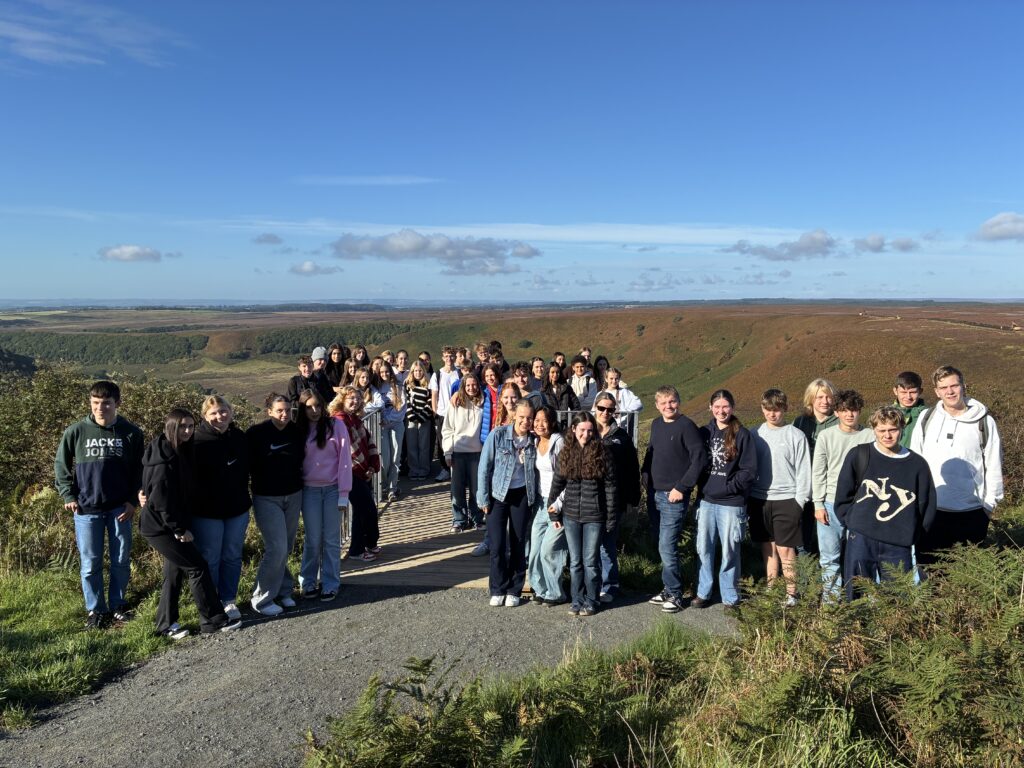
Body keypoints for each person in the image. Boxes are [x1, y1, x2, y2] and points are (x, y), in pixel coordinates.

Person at [140, 408, 241, 637]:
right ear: (170, 427)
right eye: (182, 426)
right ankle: (213, 620)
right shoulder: (164, 461)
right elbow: (161, 500)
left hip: (167, 523)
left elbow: (151, 487)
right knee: (198, 567)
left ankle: (165, 625)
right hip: (161, 527)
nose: (187, 431)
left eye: (190, 426)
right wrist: (179, 529)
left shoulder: (173, 450)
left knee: (174, 574)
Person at [55, 380, 144, 628]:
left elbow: (139, 470)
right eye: (95, 403)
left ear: (117, 403)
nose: (100, 408)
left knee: (121, 559)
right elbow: (61, 465)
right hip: (86, 508)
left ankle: (118, 605)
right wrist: (68, 495)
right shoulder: (76, 431)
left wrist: (131, 502)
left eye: (106, 403)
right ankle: (96, 611)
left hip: (119, 508)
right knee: (90, 562)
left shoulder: (131, 432)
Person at [835, 406, 937, 601]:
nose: (887, 435)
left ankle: (893, 632)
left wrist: (912, 534)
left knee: (898, 598)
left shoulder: (917, 464)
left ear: (902, 429)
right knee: (856, 594)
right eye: (882, 430)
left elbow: (927, 506)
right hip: (861, 538)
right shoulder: (860, 455)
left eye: (893, 429)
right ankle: (855, 631)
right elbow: (843, 495)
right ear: (874, 429)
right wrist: (853, 522)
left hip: (898, 543)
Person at [910, 365, 1003, 566]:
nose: (950, 392)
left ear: (964, 386)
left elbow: (994, 465)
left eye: (954, 385)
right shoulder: (927, 419)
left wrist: (988, 507)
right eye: (943, 388)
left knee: (966, 574)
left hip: (971, 512)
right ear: (936, 392)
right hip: (932, 511)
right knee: (929, 570)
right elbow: (915, 462)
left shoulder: (984, 422)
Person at [641, 385, 707, 614]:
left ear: (678, 401)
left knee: (667, 545)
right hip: (654, 493)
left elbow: (699, 459)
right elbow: (652, 452)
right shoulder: (657, 424)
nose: (668, 406)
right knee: (661, 544)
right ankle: (668, 589)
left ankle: (677, 594)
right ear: (657, 406)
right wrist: (645, 476)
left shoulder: (687, 426)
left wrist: (682, 487)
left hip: (674, 496)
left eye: (672, 401)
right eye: (663, 403)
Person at [548, 412, 618, 616]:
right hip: (570, 515)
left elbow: (611, 489)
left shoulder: (603, 452)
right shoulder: (566, 452)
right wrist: (553, 512)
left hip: (594, 516)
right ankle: (577, 600)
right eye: (582, 430)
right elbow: (557, 485)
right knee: (575, 561)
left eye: (589, 430)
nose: (586, 434)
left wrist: (611, 518)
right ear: (573, 430)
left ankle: (592, 600)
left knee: (590, 561)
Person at [693, 390, 756, 610]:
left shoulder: (742, 435)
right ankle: (704, 591)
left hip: (731, 503)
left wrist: (729, 487)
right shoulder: (703, 433)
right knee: (704, 548)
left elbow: (749, 470)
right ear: (710, 407)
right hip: (707, 500)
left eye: (725, 406)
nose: (721, 411)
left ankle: (730, 596)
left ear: (733, 407)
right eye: (717, 406)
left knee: (730, 550)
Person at [748, 389, 811, 606]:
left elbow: (804, 470)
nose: (772, 414)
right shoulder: (754, 433)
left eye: (776, 410)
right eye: (768, 409)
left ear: (784, 409)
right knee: (768, 547)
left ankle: (791, 593)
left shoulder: (795, 435)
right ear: (762, 409)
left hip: (787, 499)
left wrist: (799, 502)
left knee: (786, 549)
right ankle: (771, 588)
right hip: (759, 499)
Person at [191, 395, 251, 621]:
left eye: (223, 411)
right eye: (213, 413)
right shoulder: (196, 441)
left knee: (233, 556)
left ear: (231, 411)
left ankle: (228, 600)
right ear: (205, 416)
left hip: (237, 508)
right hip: (207, 511)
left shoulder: (240, 437)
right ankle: (211, 603)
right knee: (210, 558)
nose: (219, 416)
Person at [811, 390, 873, 600]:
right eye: (844, 410)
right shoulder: (826, 436)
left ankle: (858, 601)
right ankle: (831, 606)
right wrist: (818, 504)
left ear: (860, 411)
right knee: (830, 558)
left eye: (854, 410)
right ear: (836, 412)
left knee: (861, 557)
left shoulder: (870, 436)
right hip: (829, 503)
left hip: (861, 505)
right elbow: (819, 471)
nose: (849, 415)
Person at [247, 393, 305, 617]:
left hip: (293, 495)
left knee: (286, 547)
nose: (284, 414)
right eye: (279, 410)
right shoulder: (256, 434)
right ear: (269, 411)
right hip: (266, 497)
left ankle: (283, 589)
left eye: (288, 410)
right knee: (277, 548)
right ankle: (261, 599)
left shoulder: (296, 431)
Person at [477, 399, 538, 607]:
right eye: (522, 417)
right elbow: (484, 467)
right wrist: (483, 496)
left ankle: (515, 588)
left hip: (521, 495)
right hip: (498, 494)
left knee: (518, 542)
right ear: (514, 416)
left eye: (529, 418)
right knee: (497, 544)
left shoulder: (534, 441)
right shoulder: (498, 435)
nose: (525, 421)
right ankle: (497, 588)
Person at [296, 389, 351, 602]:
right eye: (309, 407)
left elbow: (345, 460)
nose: (315, 410)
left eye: (318, 405)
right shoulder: (298, 430)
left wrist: (343, 493)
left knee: (330, 539)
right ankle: (308, 582)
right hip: (308, 490)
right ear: (302, 408)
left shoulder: (335, 426)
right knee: (312, 539)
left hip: (332, 489)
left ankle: (330, 583)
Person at [593, 392, 641, 603]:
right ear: (594, 407)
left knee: (608, 545)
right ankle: (590, 583)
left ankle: (610, 585)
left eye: (610, 409)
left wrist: (633, 498)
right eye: (602, 408)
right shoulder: (584, 430)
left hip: (615, 499)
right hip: (588, 499)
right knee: (589, 546)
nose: (605, 413)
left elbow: (632, 469)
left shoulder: (622, 436)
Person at [331, 386, 382, 562]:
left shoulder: (355, 419)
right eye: (351, 398)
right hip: (350, 472)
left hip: (361, 471)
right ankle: (357, 551)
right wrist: (364, 469)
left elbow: (368, 441)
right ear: (342, 400)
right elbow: (347, 451)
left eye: (358, 399)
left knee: (363, 510)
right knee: (364, 510)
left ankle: (366, 545)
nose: (355, 401)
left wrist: (372, 467)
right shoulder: (339, 420)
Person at [472, 381, 522, 557]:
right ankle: (490, 542)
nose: (510, 401)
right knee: (493, 515)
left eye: (513, 397)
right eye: (506, 397)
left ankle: (509, 548)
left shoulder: (523, 418)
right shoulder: (498, 416)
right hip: (496, 471)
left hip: (516, 476)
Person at [792, 378, 838, 554]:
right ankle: (807, 578)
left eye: (828, 397)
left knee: (829, 536)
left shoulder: (838, 421)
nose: (824, 401)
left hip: (829, 488)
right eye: (819, 397)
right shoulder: (800, 422)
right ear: (811, 399)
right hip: (804, 486)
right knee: (802, 536)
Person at [527, 405, 567, 606]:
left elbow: (568, 478)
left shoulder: (558, 442)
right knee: (534, 550)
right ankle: (540, 589)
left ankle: (556, 592)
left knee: (549, 549)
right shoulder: (534, 442)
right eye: (537, 420)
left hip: (557, 504)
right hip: (539, 503)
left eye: (544, 420)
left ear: (552, 422)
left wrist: (559, 504)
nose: (539, 424)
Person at [442, 374, 484, 533]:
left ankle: (477, 518)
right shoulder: (455, 403)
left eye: (474, 385)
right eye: (468, 385)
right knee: (457, 490)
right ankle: (459, 519)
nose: (471, 388)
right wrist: (448, 452)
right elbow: (447, 429)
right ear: (463, 387)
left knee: (476, 489)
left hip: (477, 452)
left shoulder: (483, 402)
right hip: (458, 451)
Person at [375, 361, 406, 502]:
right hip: (382, 426)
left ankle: (392, 488)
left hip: (396, 425)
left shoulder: (398, 387)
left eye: (386, 371)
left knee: (395, 457)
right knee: (385, 459)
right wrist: (383, 419)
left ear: (390, 372)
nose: (384, 374)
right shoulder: (377, 387)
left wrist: (388, 418)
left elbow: (402, 407)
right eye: (381, 372)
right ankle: (385, 485)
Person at [430, 346, 461, 481]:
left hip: (457, 412)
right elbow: (434, 395)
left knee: (457, 441)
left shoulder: (459, 373)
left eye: (451, 356)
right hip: (442, 413)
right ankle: (445, 469)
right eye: (447, 356)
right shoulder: (438, 374)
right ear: (443, 358)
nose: (449, 358)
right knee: (443, 442)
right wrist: (435, 412)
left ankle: (457, 469)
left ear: (455, 357)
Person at [404, 360, 433, 480]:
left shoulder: (428, 384)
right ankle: (414, 469)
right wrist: (411, 415)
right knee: (411, 446)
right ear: (412, 371)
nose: (417, 373)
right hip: (411, 419)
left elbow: (430, 401)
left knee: (424, 445)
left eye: (420, 370)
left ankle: (424, 469)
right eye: (415, 370)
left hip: (424, 419)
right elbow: (405, 400)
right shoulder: (407, 384)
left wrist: (422, 416)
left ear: (423, 371)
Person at [892, 371, 927, 449]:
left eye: (913, 392)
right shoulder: (885, 414)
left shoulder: (928, 415)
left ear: (920, 391)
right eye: (903, 392)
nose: (908, 397)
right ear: (895, 391)